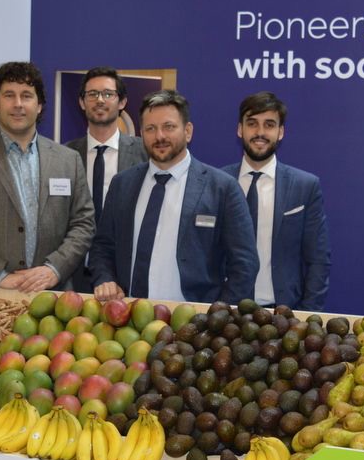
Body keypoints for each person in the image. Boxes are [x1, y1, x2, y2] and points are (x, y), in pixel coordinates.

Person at [89, 90, 258, 304]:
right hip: (127, 316)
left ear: (188, 131)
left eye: (169, 127)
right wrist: (105, 279)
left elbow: (245, 264)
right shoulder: (122, 184)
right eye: (151, 128)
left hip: (196, 320)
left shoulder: (223, 188)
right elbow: (102, 247)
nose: (160, 136)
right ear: (141, 133)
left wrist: (217, 315)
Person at [0, 61, 94, 291]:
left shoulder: (68, 160)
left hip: (54, 294)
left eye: (26, 95)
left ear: (39, 105)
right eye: (9, 95)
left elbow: (84, 223)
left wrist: (54, 269)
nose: (18, 104)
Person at [222, 91, 331, 310]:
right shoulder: (218, 183)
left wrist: (307, 315)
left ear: (280, 132)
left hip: (284, 313)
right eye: (252, 123)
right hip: (227, 313)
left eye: (269, 125)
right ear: (240, 129)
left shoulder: (305, 186)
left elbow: (318, 259)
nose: (260, 132)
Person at [64, 67, 148, 292]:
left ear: (122, 102)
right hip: (73, 274)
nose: (100, 100)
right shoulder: (64, 155)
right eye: (92, 94)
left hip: (125, 276)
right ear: (82, 102)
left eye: (108, 94)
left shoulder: (145, 153)